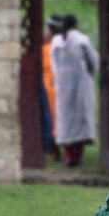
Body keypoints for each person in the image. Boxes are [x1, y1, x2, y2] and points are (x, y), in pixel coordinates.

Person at [51, 13, 99, 166]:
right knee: (80, 119)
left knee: (65, 120)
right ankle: (77, 156)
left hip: (62, 85)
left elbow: (54, 65)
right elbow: (93, 62)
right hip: (80, 85)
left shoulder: (56, 42)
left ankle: (68, 155)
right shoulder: (82, 40)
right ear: (76, 25)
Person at [41, 16, 62, 161]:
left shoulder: (47, 47)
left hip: (49, 84)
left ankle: (52, 148)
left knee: (51, 118)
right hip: (59, 84)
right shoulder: (62, 45)